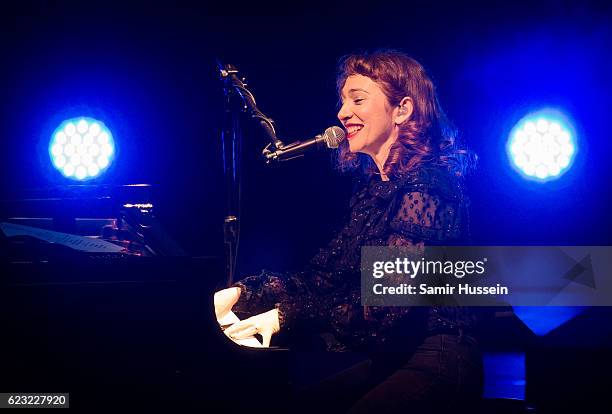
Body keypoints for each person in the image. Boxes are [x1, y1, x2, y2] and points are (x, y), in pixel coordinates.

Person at [214, 50, 484, 413]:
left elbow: (385, 307)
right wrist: (240, 294)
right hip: (394, 358)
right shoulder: (374, 191)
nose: (342, 113)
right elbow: (324, 280)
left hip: (439, 360)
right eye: (343, 101)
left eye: (357, 99)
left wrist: (284, 316)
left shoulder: (429, 187)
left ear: (402, 109)